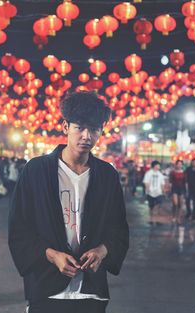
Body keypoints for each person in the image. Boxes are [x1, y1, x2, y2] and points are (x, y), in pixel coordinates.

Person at [8, 91, 129, 313]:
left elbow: (118, 227)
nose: (86, 136)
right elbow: (19, 228)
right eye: (79, 127)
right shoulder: (36, 171)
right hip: (46, 288)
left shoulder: (107, 175)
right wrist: (52, 256)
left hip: (91, 290)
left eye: (94, 129)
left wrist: (102, 250)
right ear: (65, 127)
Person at [143, 160, 165, 225]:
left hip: (158, 192)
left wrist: (163, 191)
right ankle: (151, 219)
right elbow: (146, 182)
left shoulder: (160, 174)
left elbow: (162, 183)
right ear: (154, 166)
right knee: (151, 207)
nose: (159, 166)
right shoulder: (148, 173)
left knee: (157, 206)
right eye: (158, 165)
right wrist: (147, 190)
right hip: (151, 192)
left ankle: (155, 219)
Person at [169, 160, 186, 224]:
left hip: (181, 189)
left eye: (180, 164)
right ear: (176, 165)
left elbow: (185, 182)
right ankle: (173, 217)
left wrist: (186, 189)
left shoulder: (184, 172)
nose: (179, 165)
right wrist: (170, 188)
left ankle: (179, 218)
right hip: (174, 189)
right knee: (175, 204)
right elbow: (170, 181)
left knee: (180, 204)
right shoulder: (172, 172)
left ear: (182, 165)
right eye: (178, 164)